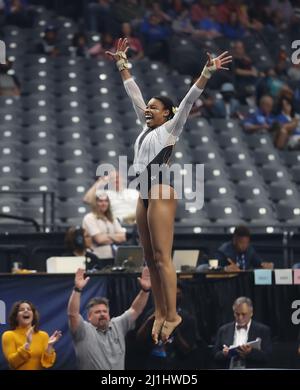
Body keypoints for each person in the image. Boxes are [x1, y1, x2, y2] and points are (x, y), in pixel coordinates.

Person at [105, 37, 232, 343]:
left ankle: (173, 314)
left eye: (154, 107)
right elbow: (134, 93)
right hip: (144, 194)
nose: (147, 109)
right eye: (147, 107)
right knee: (149, 259)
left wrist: (207, 73)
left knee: (163, 257)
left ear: (167, 114)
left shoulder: (171, 129)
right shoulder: (145, 128)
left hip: (161, 191)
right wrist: (122, 64)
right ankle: (161, 312)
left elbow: (188, 100)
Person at [67, 267, 151, 370]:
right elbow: (73, 314)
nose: (102, 314)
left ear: (109, 314)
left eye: (104, 311)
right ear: (89, 317)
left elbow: (135, 309)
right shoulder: (83, 331)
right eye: (97, 312)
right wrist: (77, 289)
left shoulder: (118, 325)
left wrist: (145, 290)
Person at [213, 296, 272, 369]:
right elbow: (215, 355)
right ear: (234, 313)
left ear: (251, 313)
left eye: (244, 314)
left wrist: (250, 352)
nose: (240, 318)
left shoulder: (263, 330)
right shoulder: (223, 330)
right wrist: (224, 354)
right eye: (237, 314)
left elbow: (268, 357)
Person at [1, 300, 62, 370]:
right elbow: (13, 363)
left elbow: (47, 363)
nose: (26, 311)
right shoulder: (9, 335)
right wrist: (27, 344)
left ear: (33, 315)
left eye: (29, 309)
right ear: (16, 317)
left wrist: (49, 346)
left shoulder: (43, 335)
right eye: (21, 310)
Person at [82, 192, 126, 259]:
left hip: (114, 254)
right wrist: (115, 236)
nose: (104, 204)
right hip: (97, 255)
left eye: (106, 201)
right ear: (95, 203)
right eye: (100, 201)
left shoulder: (111, 218)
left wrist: (107, 235)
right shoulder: (89, 217)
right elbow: (99, 239)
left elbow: (123, 237)